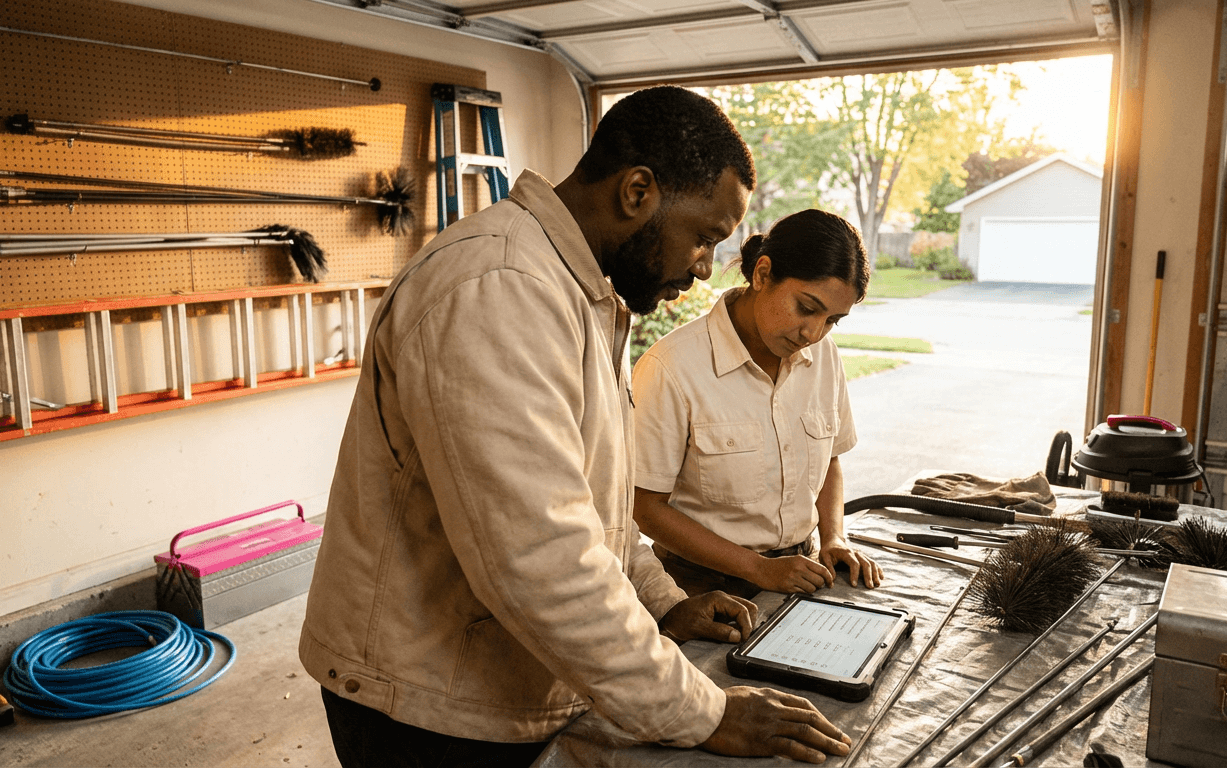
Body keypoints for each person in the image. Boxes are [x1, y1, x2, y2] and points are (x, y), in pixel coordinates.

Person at [298, 86, 853, 767]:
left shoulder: (577, 294)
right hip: (424, 701)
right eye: (704, 236)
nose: (707, 265)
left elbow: (587, 508)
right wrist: (703, 710)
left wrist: (660, 601)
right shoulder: (498, 287)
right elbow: (539, 555)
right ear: (638, 192)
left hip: (501, 673)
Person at [632, 209, 884, 599]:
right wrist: (758, 569)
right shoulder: (671, 368)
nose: (813, 332)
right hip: (699, 587)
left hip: (801, 574)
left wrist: (834, 537)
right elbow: (645, 507)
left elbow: (829, 461)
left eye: (833, 319)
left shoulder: (824, 357)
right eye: (807, 307)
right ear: (763, 274)